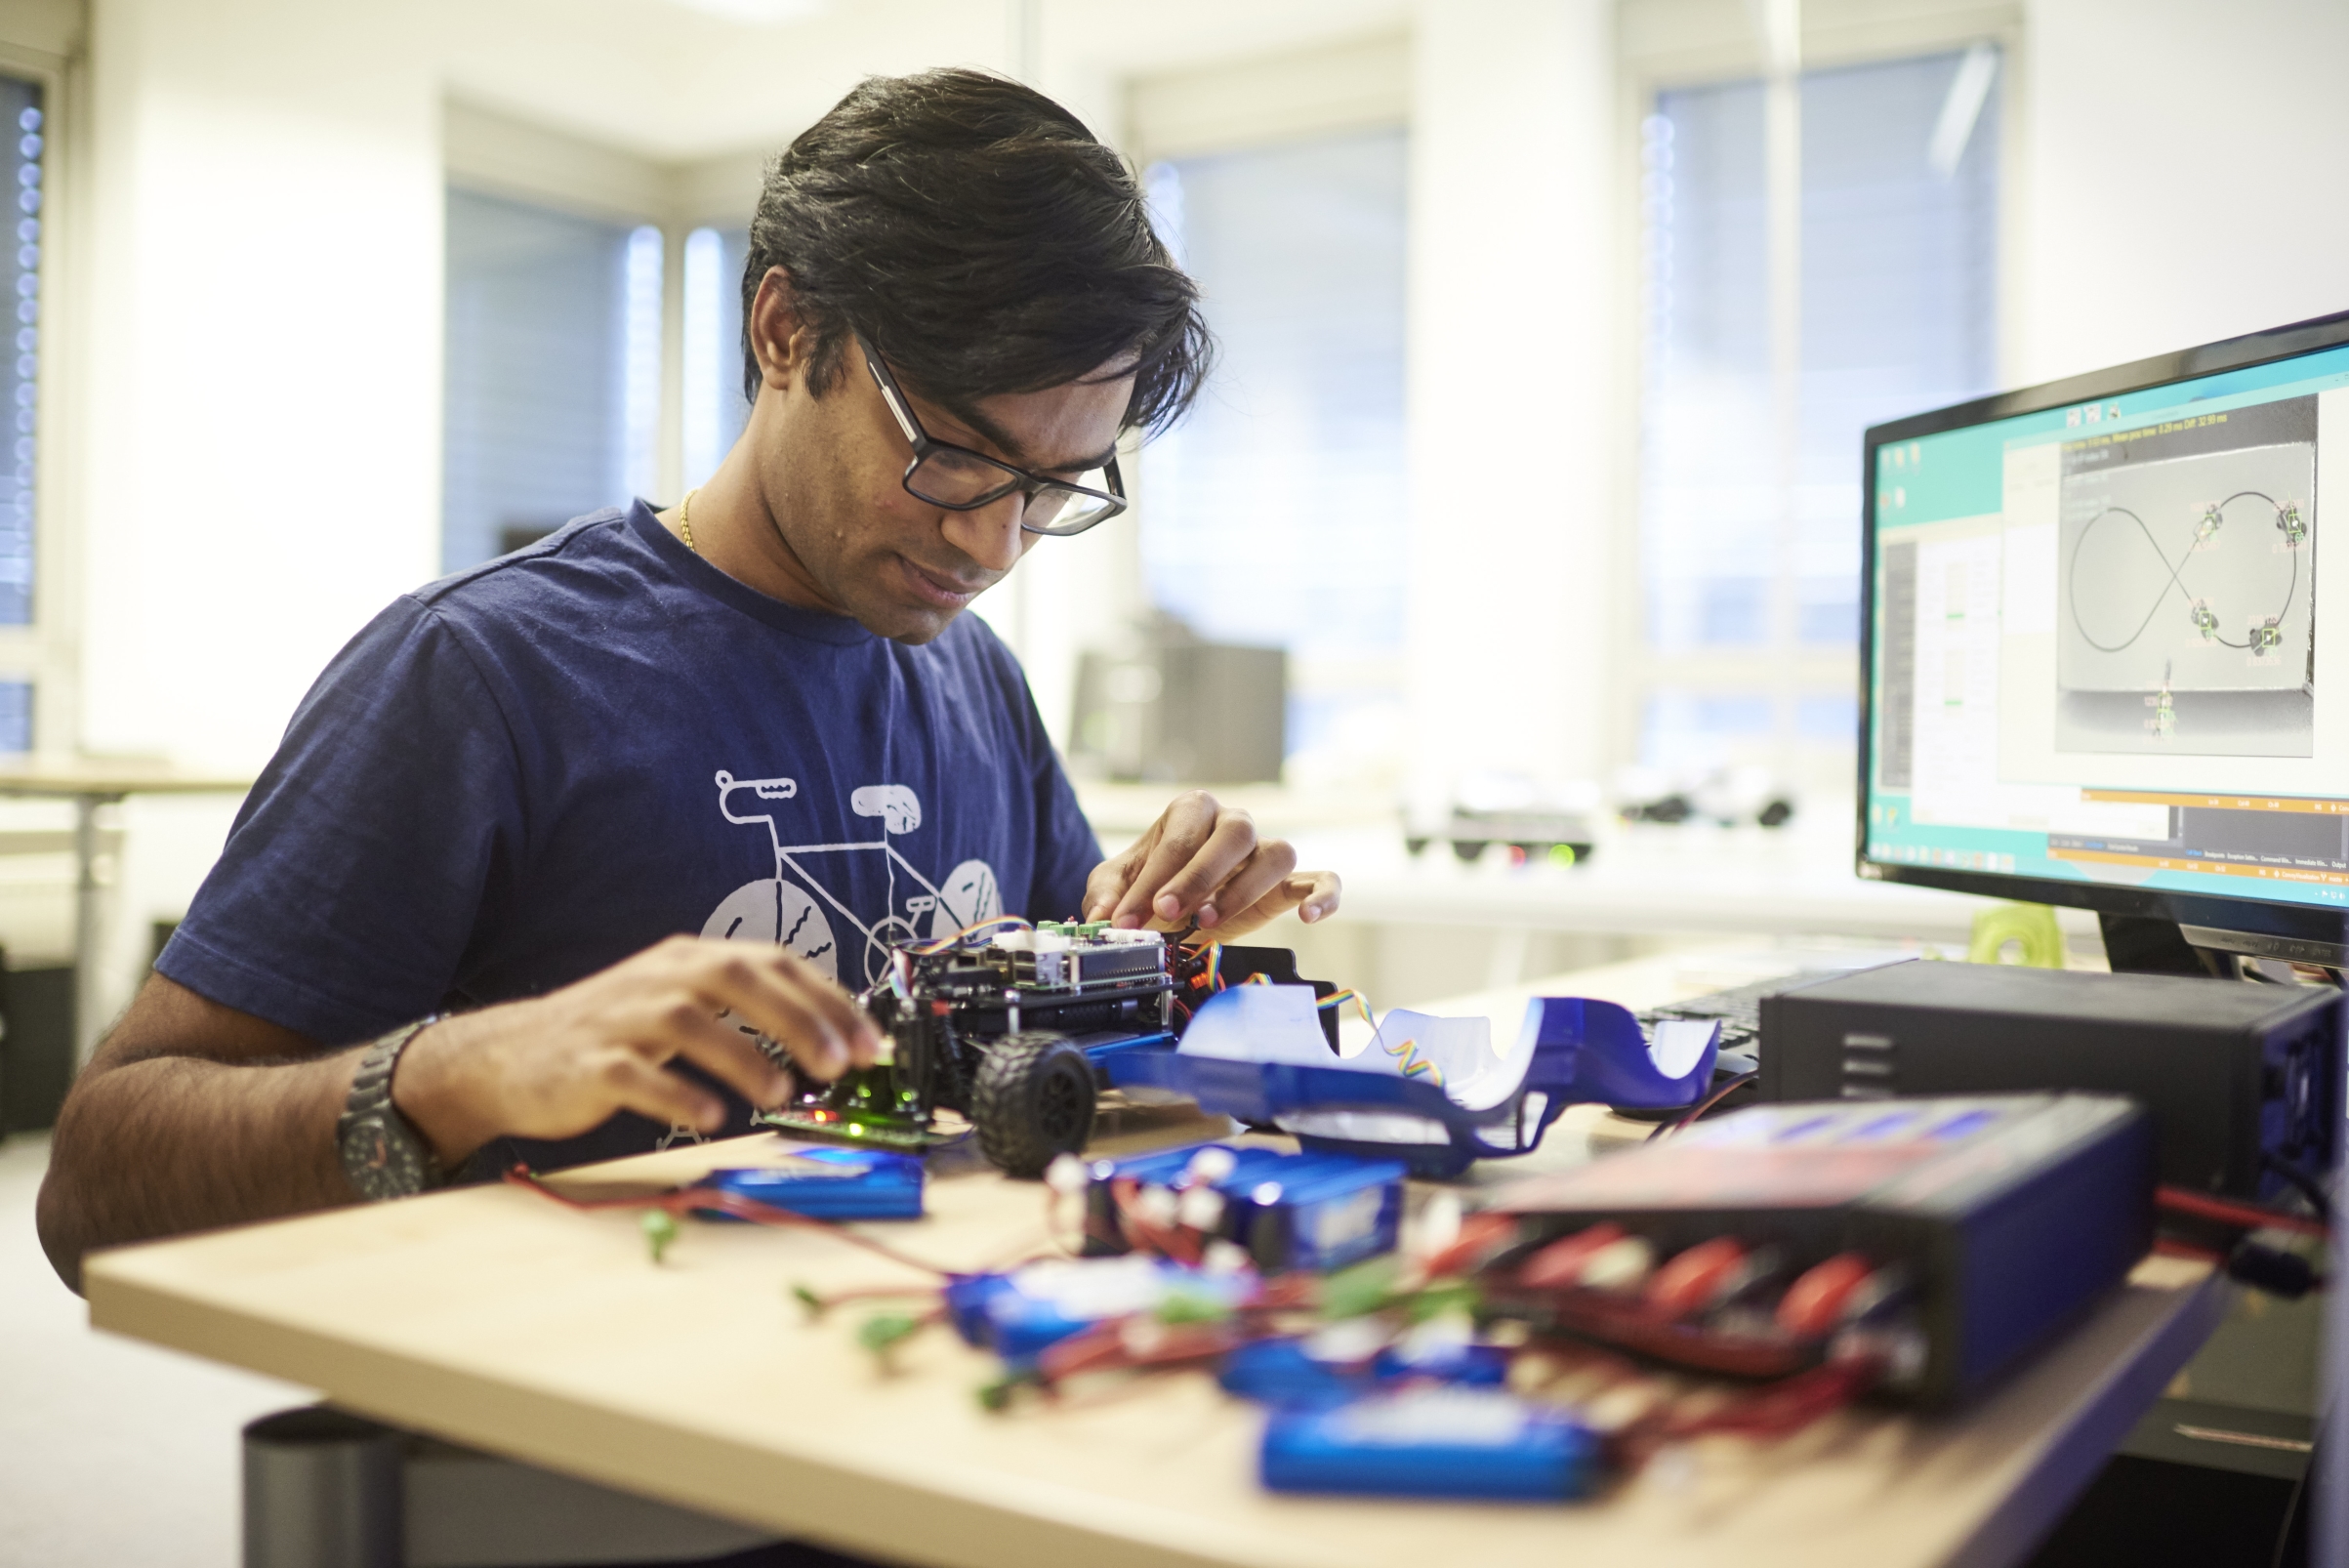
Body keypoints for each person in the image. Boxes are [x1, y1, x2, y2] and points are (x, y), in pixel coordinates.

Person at [36, 68, 1339, 1290]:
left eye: (1049, 488)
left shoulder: (973, 680)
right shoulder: (483, 671)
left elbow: (1056, 1055)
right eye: (952, 455)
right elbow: (93, 1182)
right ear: (786, 329)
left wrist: (1151, 941)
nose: (993, 544)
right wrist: (453, 1073)